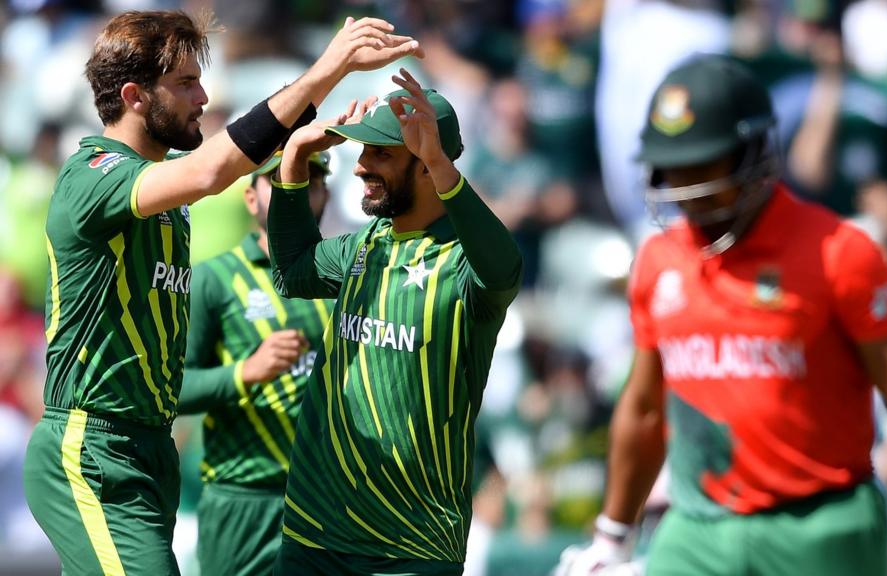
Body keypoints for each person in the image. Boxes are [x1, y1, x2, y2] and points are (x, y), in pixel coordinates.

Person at [556, 55, 887, 576]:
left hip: (822, 525)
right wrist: (612, 535)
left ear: (755, 153)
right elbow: (645, 407)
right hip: (698, 527)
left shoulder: (842, 253)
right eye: (674, 167)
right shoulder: (657, 260)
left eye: (704, 164)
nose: (685, 185)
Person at [22, 9, 422, 575]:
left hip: (149, 448)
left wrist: (308, 140)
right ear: (135, 96)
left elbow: (241, 152)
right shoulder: (94, 175)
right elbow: (217, 168)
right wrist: (329, 66)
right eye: (185, 83)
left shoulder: (163, 176)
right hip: (92, 448)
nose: (204, 97)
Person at [266, 68, 523, 575]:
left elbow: (504, 269)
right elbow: (294, 273)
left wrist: (440, 162)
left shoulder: (463, 262)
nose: (360, 167)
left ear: (429, 166)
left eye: (380, 153)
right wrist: (293, 159)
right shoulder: (366, 243)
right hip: (314, 530)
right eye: (362, 152)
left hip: (410, 545)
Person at [178, 151, 335, 576]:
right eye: (282, 179)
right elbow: (170, 391)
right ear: (251, 199)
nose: (298, 190)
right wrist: (245, 372)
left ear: (326, 194)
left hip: (325, 500)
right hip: (242, 499)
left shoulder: (342, 278)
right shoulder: (215, 278)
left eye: (311, 180)